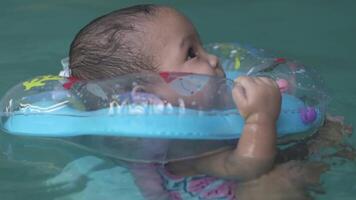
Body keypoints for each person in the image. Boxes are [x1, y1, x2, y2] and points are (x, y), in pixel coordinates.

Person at [67, 4, 343, 200]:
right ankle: (324, 147)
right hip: (241, 185)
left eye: (201, 47)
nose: (212, 59)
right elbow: (247, 168)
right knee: (272, 183)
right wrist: (260, 117)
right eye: (191, 54)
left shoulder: (170, 124)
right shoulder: (180, 142)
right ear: (144, 95)